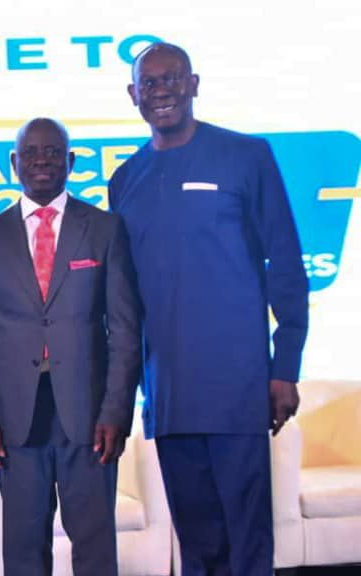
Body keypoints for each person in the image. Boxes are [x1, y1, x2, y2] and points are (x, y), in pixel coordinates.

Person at [108, 42, 309, 576]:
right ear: (133, 95)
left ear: (194, 84)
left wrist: (285, 367)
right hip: (169, 395)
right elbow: (124, 302)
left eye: (173, 78)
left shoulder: (247, 156)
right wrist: (128, 391)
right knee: (198, 549)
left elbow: (287, 264)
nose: (162, 91)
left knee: (248, 546)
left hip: (239, 387)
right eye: (150, 83)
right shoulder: (124, 181)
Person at [0, 118, 141, 576]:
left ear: (71, 161)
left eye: (53, 152)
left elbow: (124, 329)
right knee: (23, 551)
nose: (41, 161)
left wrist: (116, 412)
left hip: (90, 416)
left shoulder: (104, 229)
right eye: (31, 152)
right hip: (14, 420)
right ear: (14, 162)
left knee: (95, 547)